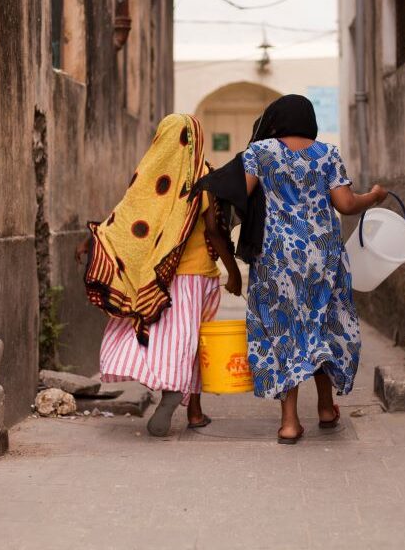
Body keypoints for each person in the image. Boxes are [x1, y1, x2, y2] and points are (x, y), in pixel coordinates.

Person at [196, 95, 386, 443]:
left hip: (277, 258)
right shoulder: (327, 154)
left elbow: (239, 193)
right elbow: (346, 204)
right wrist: (373, 196)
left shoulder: (261, 152)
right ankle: (326, 408)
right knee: (322, 324)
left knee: (284, 330)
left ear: (275, 120)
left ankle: (289, 422)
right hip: (324, 257)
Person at [76, 114, 241, 437]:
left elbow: (125, 219)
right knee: (192, 342)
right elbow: (214, 230)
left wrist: (93, 241)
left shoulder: (150, 178)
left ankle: (183, 399)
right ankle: (190, 408)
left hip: (158, 279)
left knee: (170, 341)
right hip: (198, 277)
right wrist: (232, 271)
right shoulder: (204, 177)